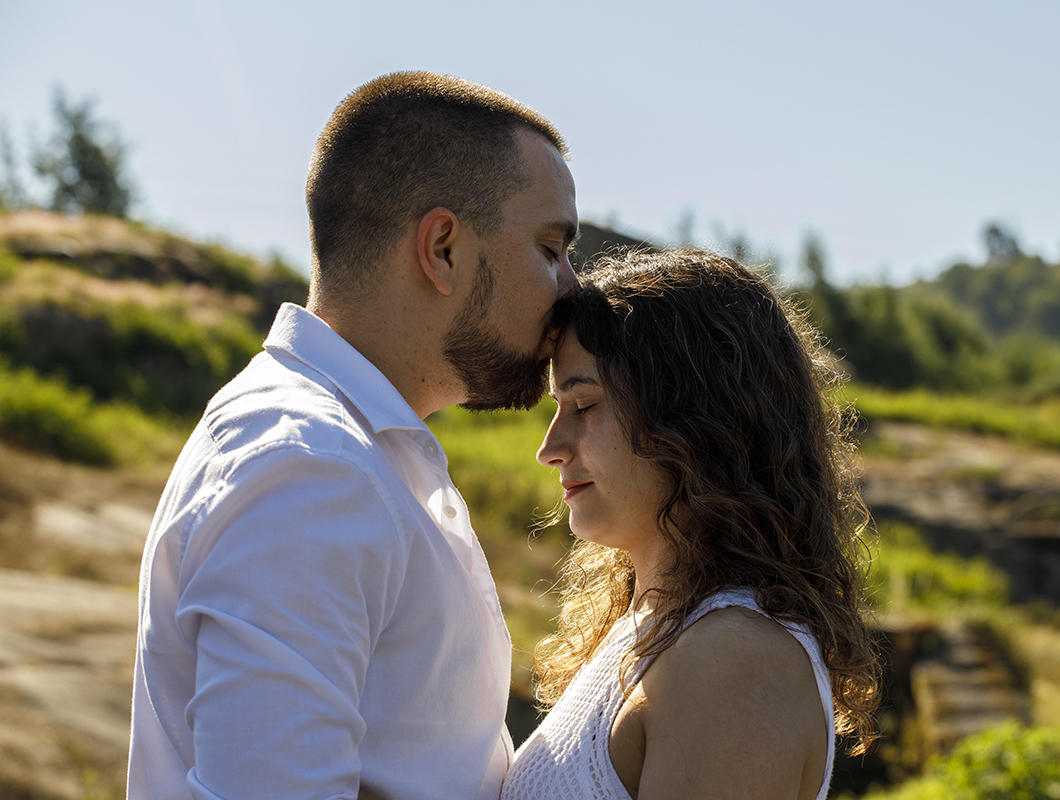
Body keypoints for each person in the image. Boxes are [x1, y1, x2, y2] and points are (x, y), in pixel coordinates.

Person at [126, 71, 579, 800]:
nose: (571, 291)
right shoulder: (311, 467)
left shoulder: (358, 452)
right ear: (443, 249)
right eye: (552, 249)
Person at [501, 250, 880, 800]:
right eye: (556, 408)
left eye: (583, 404)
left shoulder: (736, 661)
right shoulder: (659, 626)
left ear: (694, 421)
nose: (549, 449)